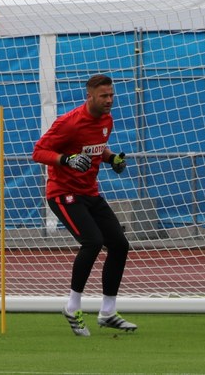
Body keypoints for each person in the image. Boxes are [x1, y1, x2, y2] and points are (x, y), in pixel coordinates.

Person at [32, 73, 136, 336]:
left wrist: (113, 159)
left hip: (90, 193)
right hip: (63, 193)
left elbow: (98, 147)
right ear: (89, 96)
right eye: (104, 96)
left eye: (112, 95)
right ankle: (72, 306)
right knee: (92, 241)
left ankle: (108, 312)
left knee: (119, 244)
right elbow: (38, 152)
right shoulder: (69, 122)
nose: (110, 100)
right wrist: (66, 160)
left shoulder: (107, 120)